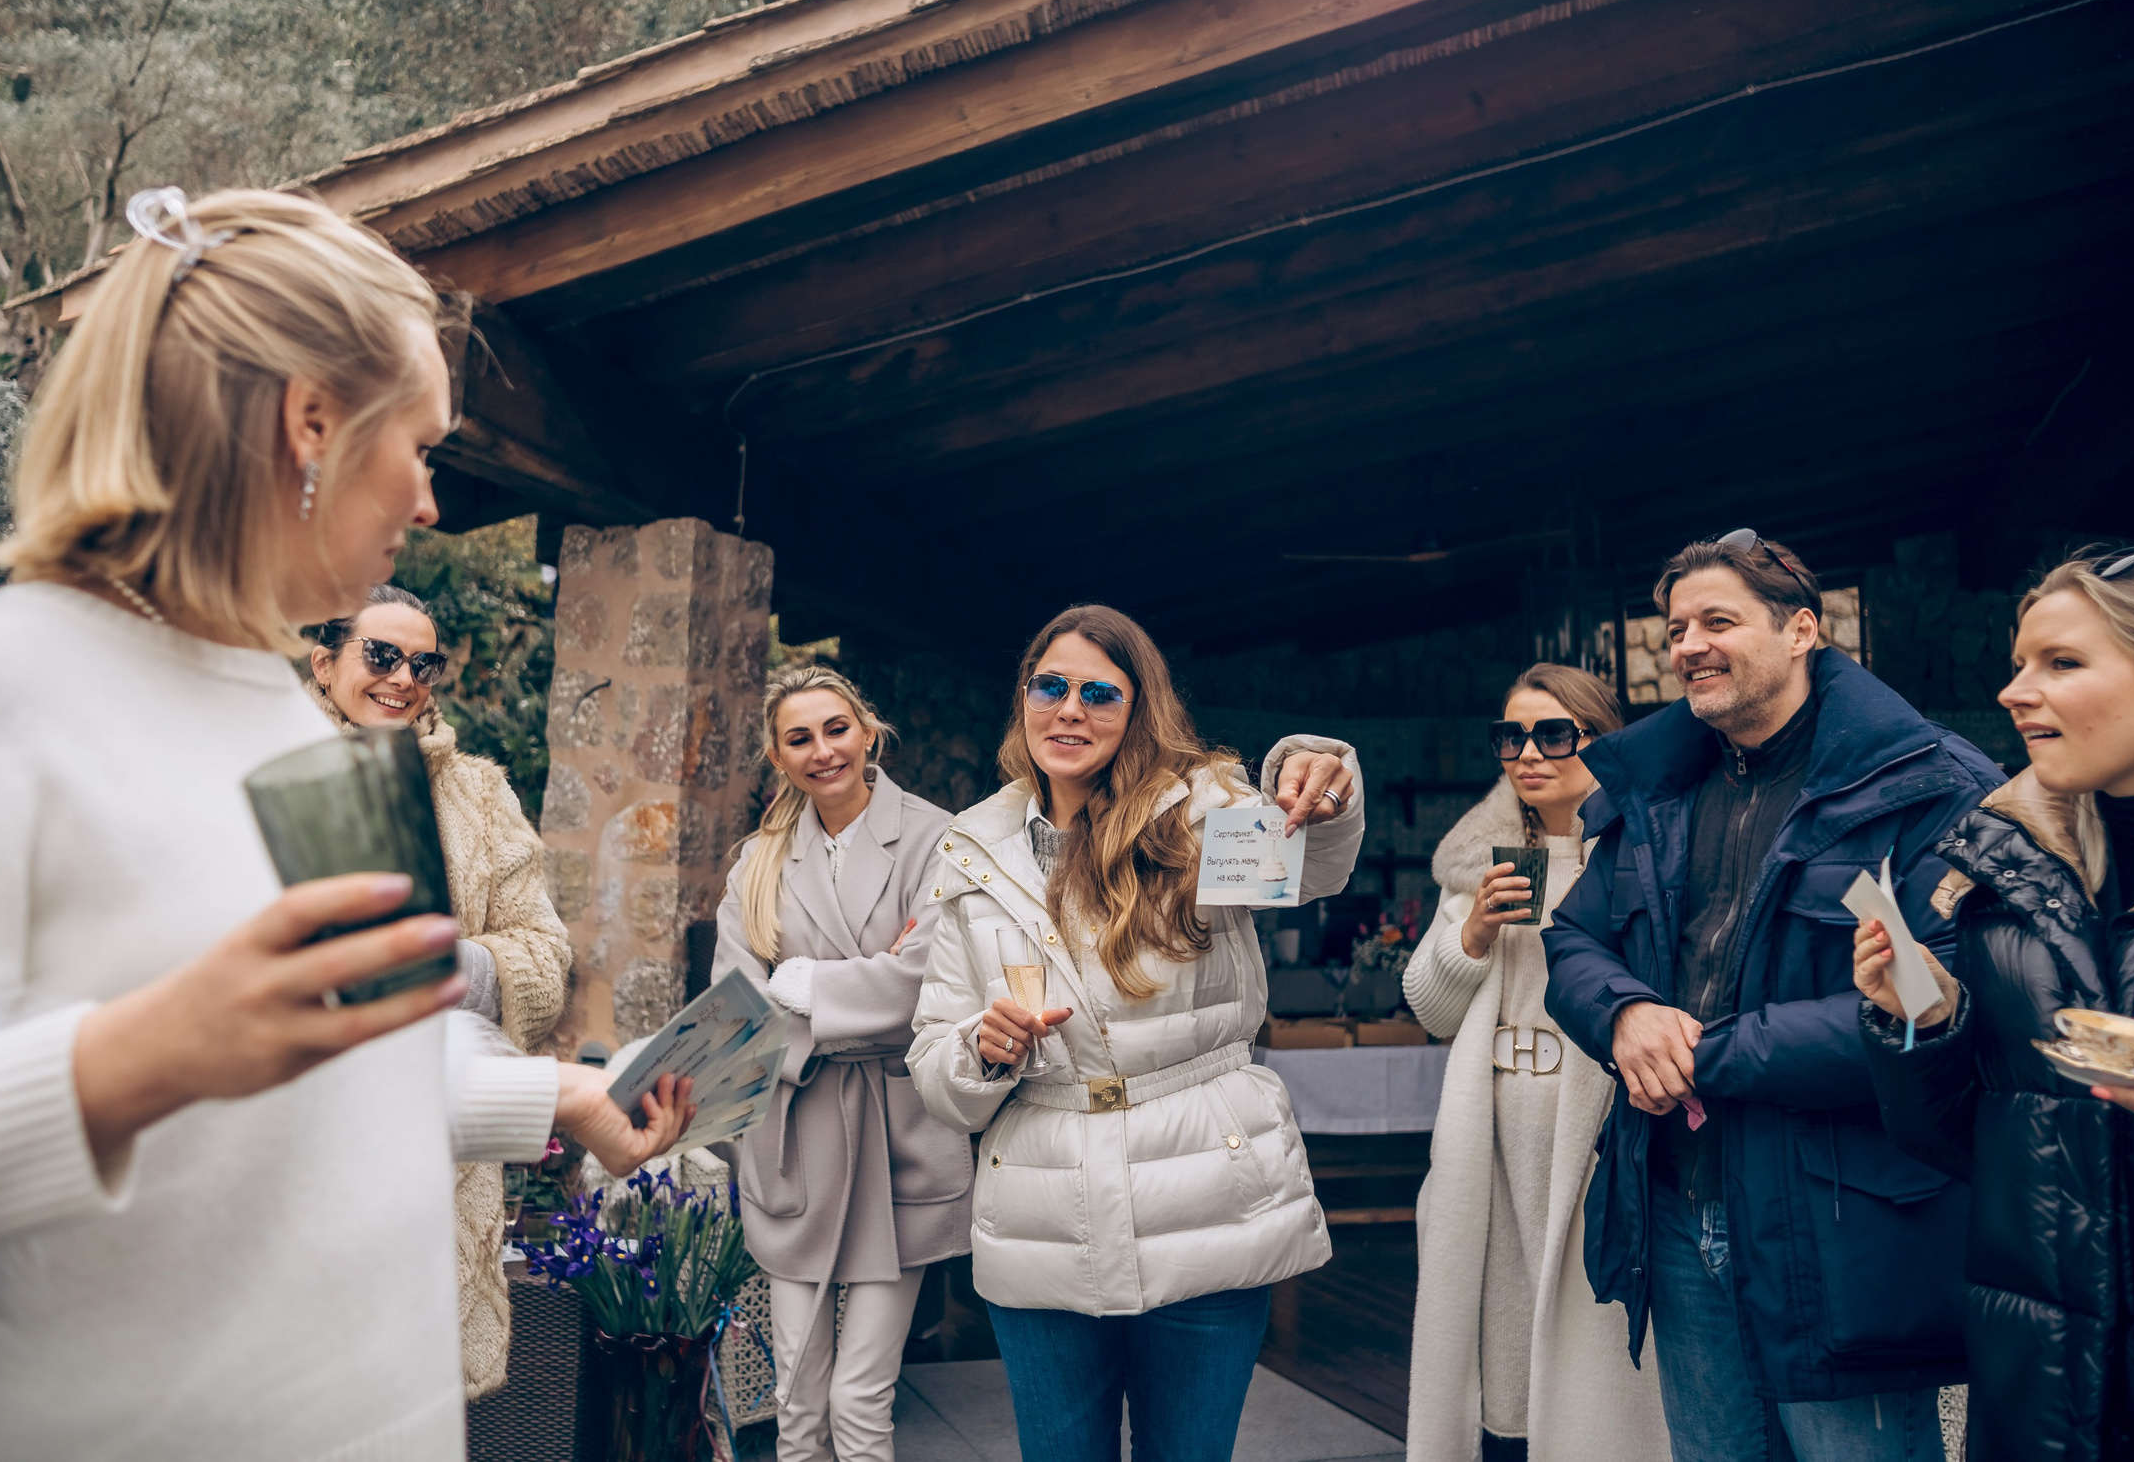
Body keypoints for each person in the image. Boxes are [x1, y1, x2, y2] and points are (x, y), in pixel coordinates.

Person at [0, 187, 691, 1460]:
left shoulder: (288, 726)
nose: (431, 505)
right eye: (423, 447)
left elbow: (323, 1056)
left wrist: (551, 1096)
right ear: (310, 425)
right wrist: (127, 1065)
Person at [1542, 529, 2001, 1462]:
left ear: (1803, 630)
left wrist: (1706, 1053)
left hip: (1841, 1220)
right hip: (1677, 1205)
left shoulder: (1929, 784)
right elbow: (1575, 936)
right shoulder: (1656, 786)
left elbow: (1954, 989)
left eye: (1719, 620)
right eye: (1675, 629)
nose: (1689, 646)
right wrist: (1625, 1013)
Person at [906, 603, 1364, 1462]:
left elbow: (1314, 863)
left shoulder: (1202, 810)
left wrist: (1322, 775)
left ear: (1136, 708)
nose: (1069, 708)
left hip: (1206, 1203)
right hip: (1043, 1213)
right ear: (1024, 700)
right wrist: (983, 1047)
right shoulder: (972, 846)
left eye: (1098, 692)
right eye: (1051, 686)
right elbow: (936, 1064)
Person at [1854, 548, 2134, 1462]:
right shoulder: (2002, 881)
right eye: (2018, 660)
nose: (2013, 691)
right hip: (2043, 1405)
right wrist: (1924, 1019)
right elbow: (1976, 1146)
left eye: (2062, 663)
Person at [307, 583, 577, 1400]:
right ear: (325, 663)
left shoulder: (479, 792)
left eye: (423, 663)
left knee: (413, 1401)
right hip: (302, 1135)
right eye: (380, 655)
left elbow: (544, 951)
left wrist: (445, 966)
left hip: (438, 1142)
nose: (403, 678)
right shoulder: (260, 769)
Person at [1402, 664, 1667, 1462]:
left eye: (1555, 733)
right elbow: (1431, 1008)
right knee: (1498, 1350)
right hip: (1493, 1133)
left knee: (1590, 1353)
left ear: (1599, 740)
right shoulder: (1481, 863)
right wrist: (1473, 931)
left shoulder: (1644, 856)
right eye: (1511, 736)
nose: (1529, 753)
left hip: (1592, 1131)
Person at [711, 665, 966, 1462]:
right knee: (795, 1395)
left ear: (867, 729)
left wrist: (808, 984)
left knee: (861, 1397)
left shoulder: (938, 839)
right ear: (778, 756)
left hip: (903, 1136)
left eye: (835, 729)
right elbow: (739, 1011)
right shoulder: (755, 862)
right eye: (799, 739)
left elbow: (931, 979)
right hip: (795, 1137)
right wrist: (862, 989)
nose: (823, 750)